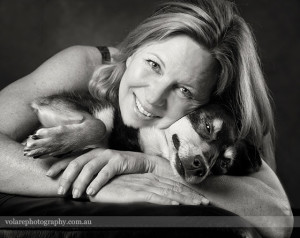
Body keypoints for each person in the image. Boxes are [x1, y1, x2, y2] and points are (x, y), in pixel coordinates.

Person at [0, 0, 293, 237]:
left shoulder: (215, 125)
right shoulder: (84, 65)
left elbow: (278, 221)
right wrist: (97, 184)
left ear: (206, 101)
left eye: (184, 89)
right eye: (153, 64)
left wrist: (151, 165)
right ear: (133, 50)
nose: (153, 97)